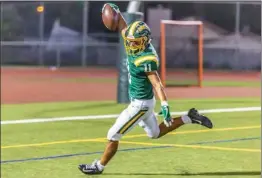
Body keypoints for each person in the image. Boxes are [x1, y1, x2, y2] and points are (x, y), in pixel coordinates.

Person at [78, 3, 213, 175]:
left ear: (144, 41)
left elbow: (157, 83)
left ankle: (99, 166)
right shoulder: (132, 39)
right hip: (144, 101)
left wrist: (165, 106)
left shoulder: (147, 58)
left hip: (140, 104)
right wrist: (114, 12)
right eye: (131, 42)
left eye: (136, 42)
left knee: (113, 134)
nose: (131, 45)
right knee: (155, 133)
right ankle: (190, 118)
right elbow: (122, 27)